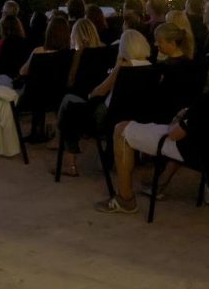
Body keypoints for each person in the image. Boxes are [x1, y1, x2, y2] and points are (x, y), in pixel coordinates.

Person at [95, 43, 209, 214]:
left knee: (120, 130)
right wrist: (189, 117)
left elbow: (174, 135)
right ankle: (160, 184)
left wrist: (180, 119)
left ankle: (125, 199)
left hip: (193, 149)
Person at [56, 30, 152, 178]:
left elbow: (100, 91)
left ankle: (70, 163)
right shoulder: (150, 67)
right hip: (133, 116)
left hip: (107, 117)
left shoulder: (122, 68)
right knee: (72, 106)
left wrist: (90, 94)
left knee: (69, 106)